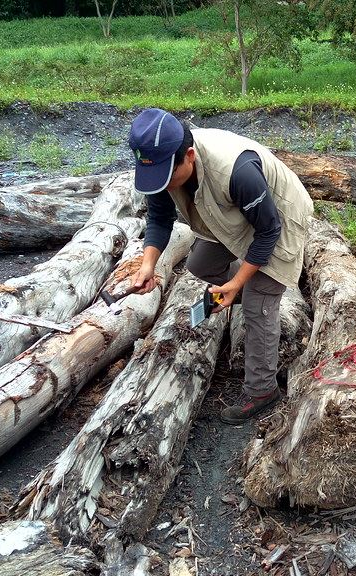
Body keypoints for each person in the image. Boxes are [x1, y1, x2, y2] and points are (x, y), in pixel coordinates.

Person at [128, 108, 313, 424]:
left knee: (257, 305)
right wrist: (149, 264)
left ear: (189, 156)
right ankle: (250, 289)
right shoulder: (161, 167)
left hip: (279, 217)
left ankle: (262, 391)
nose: (162, 184)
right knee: (200, 264)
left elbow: (269, 230)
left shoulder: (236, 170)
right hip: (228, 215)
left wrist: (239, 283)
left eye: (168, 176)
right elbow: (159, 218)